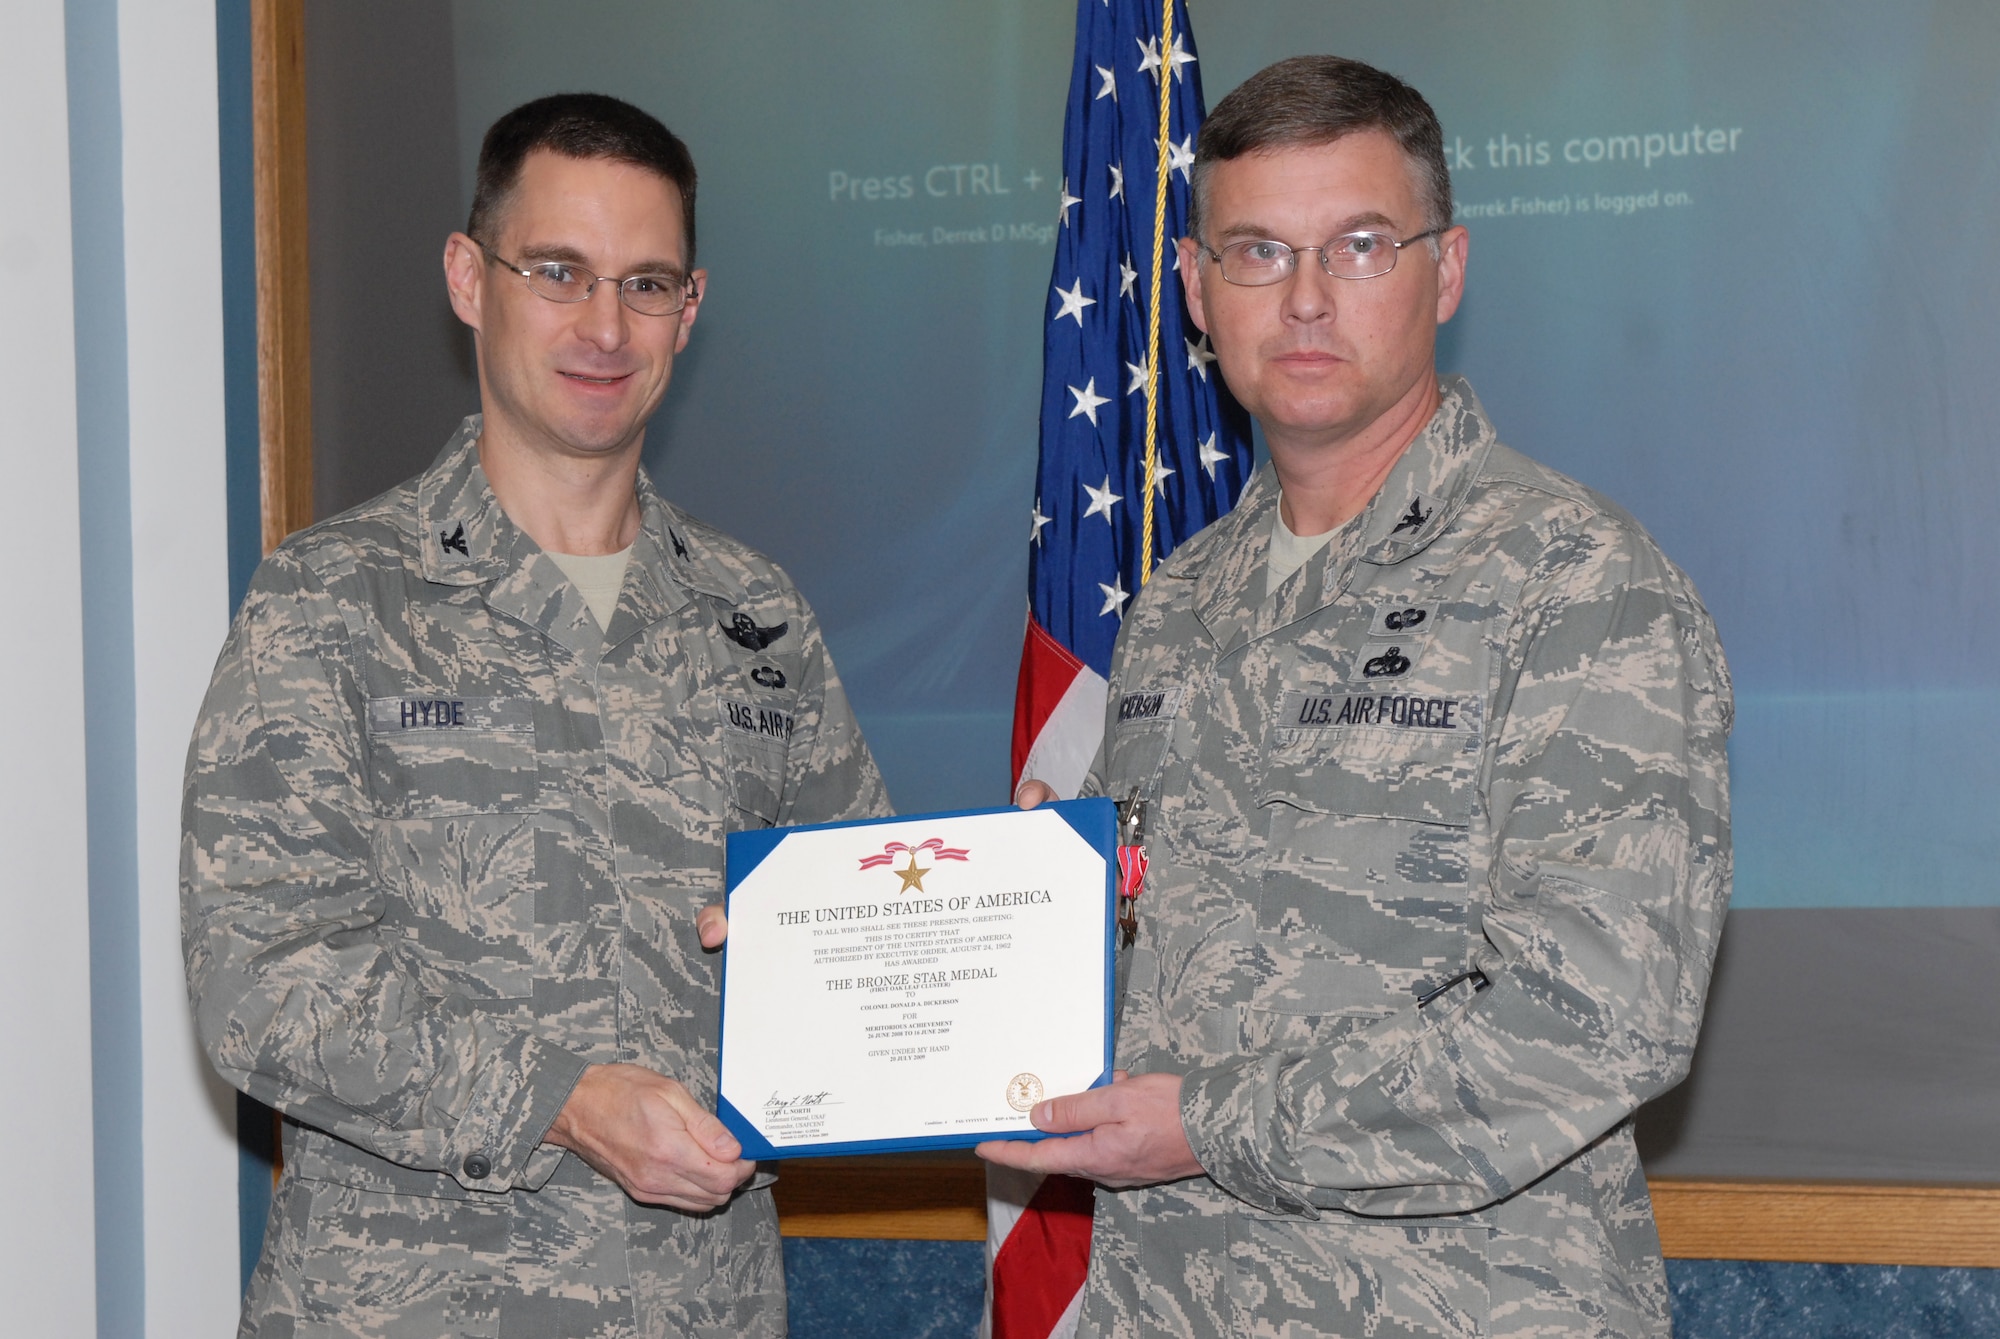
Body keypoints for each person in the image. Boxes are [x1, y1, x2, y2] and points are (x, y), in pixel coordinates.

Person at [980, 56, 1731, 1339]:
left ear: (1444, 271)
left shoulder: (1574, 583)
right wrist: (1026, 904)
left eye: (1361, 246)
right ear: (1195, 292)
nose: (1309, 300)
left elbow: (1593, 1021)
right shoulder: (1179, 603)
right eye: (1258, 253)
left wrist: (1208, 1123)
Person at [182, 93, 888, 1337]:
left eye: (646, 282)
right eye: (558, 272)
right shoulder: (334, 597)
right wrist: (558, 1098)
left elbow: (854, 938)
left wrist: (998, 902)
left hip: (698, 1307)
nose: (604, 327)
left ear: (691, 306)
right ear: (469, 277)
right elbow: (260, 984)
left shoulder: (756, 614)